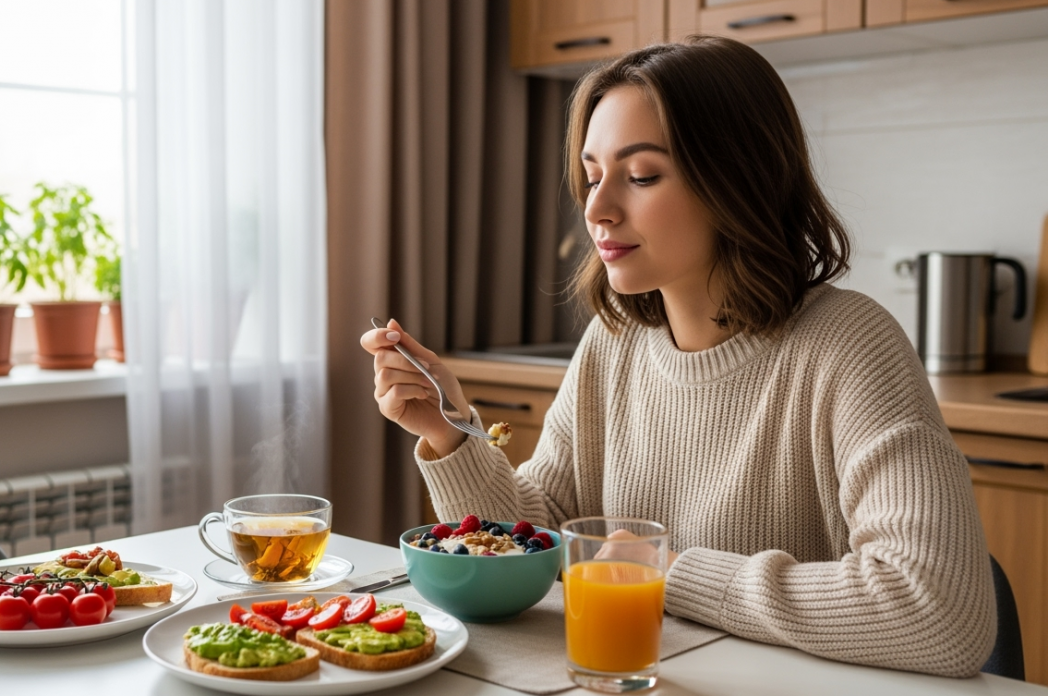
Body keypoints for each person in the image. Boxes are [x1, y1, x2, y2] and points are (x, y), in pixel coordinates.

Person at [360, 36, 996, 678]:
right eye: (591, 176)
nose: (597, 208)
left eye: (641, 176)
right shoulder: (613, 345)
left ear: (737, 181)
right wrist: (450, 431)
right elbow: (543, 536)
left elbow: (939, 611)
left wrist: (666, 571)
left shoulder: (850, 345)